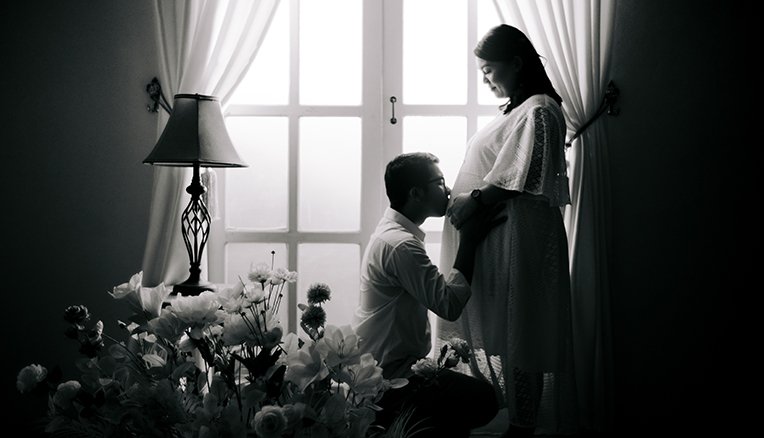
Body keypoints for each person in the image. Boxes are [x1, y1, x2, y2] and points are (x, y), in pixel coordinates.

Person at [437, 24, 578, 436]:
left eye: (488, 69)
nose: (484, 79)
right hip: (503, 239)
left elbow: (529, 172)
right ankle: (513, 419)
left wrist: (475, 199)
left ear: (516, 64)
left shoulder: (540, 108)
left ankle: (522, 427)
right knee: (511, 334)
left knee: (524, 334)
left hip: (521, 241)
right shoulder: (519, 110)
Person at [352, 152, 502, 438]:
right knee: (483, 400)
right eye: (440, 182)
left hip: (385, 368)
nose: (449, 190)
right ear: (416, 193)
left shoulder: (392, 234)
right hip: (388, 379)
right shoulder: (401, 245)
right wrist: (469, 239)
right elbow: (449, 304)